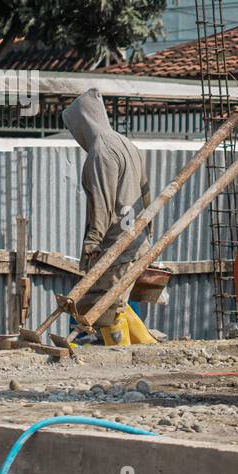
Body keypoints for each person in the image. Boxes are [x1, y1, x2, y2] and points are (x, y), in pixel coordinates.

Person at [63, 88, 157, 346]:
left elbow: (102, 203)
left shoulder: (101, 151)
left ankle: (121, 361)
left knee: (101, 308)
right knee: (119, 302)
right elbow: (146, 191)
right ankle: (149, 352)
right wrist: (148, 230)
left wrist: (93, 242)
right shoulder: (125, 143)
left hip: (115, 244)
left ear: (83, 123)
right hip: (135, 239)